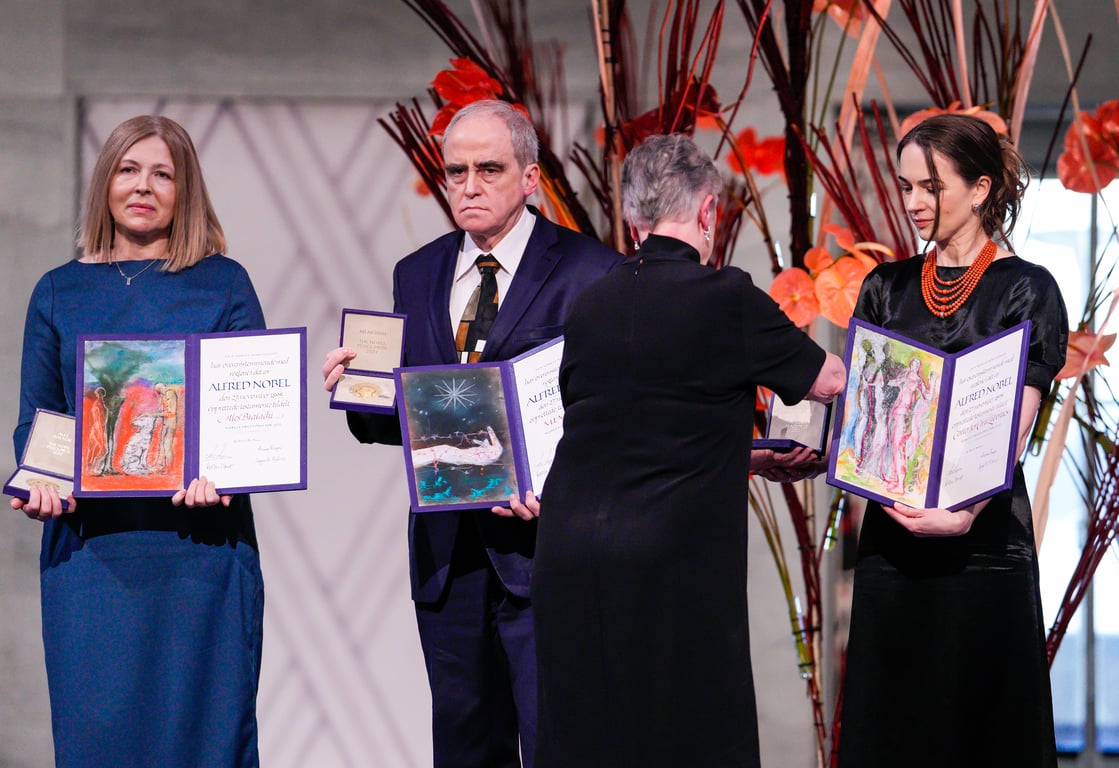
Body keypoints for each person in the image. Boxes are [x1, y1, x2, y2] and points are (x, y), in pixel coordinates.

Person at [321, 99, 622, 768]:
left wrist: (563, 493)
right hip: (447, 554)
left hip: (545, 551)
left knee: (558, 742)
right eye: (455, 171)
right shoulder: (417, 272)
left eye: (489, 168)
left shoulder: (589, 272)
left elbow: (610, 417)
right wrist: (359, 391)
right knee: (462, 747)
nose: (469, 184)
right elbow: (416, 415)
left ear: (530, 177)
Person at [530, 133, 847, 768]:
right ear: (708, 213)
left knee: (592, 738)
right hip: (669, 563)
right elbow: (832, 382)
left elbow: (618, 425)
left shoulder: (591, 304)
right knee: (690, 737)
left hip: (570, 559)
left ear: (631, 220)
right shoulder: (725, 297)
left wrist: (744, 455)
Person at [10, 115, 267, 768]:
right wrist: (39, 478)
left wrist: (225, 472)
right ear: (105, 183)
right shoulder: (58, 291)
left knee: (204, 743)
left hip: (200, 553)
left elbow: (254, 416)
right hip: (92, 560)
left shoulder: (224, 283)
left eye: (163, 172)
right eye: (128, 169)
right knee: (99, 743)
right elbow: (37, 420)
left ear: (186, 191)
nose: (143, 186)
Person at [837, 113, 1067, 767]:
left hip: (985, 547)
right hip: (893, 545)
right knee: (893, 733)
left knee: (984, 734)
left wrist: (959, 512)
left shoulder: (1027, 288)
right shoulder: (883, 287)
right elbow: (866, 424)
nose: (912, 202)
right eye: (905, 186)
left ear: (980, 188)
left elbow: (1014, 428)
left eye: (929, 187)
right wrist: (892, 503)